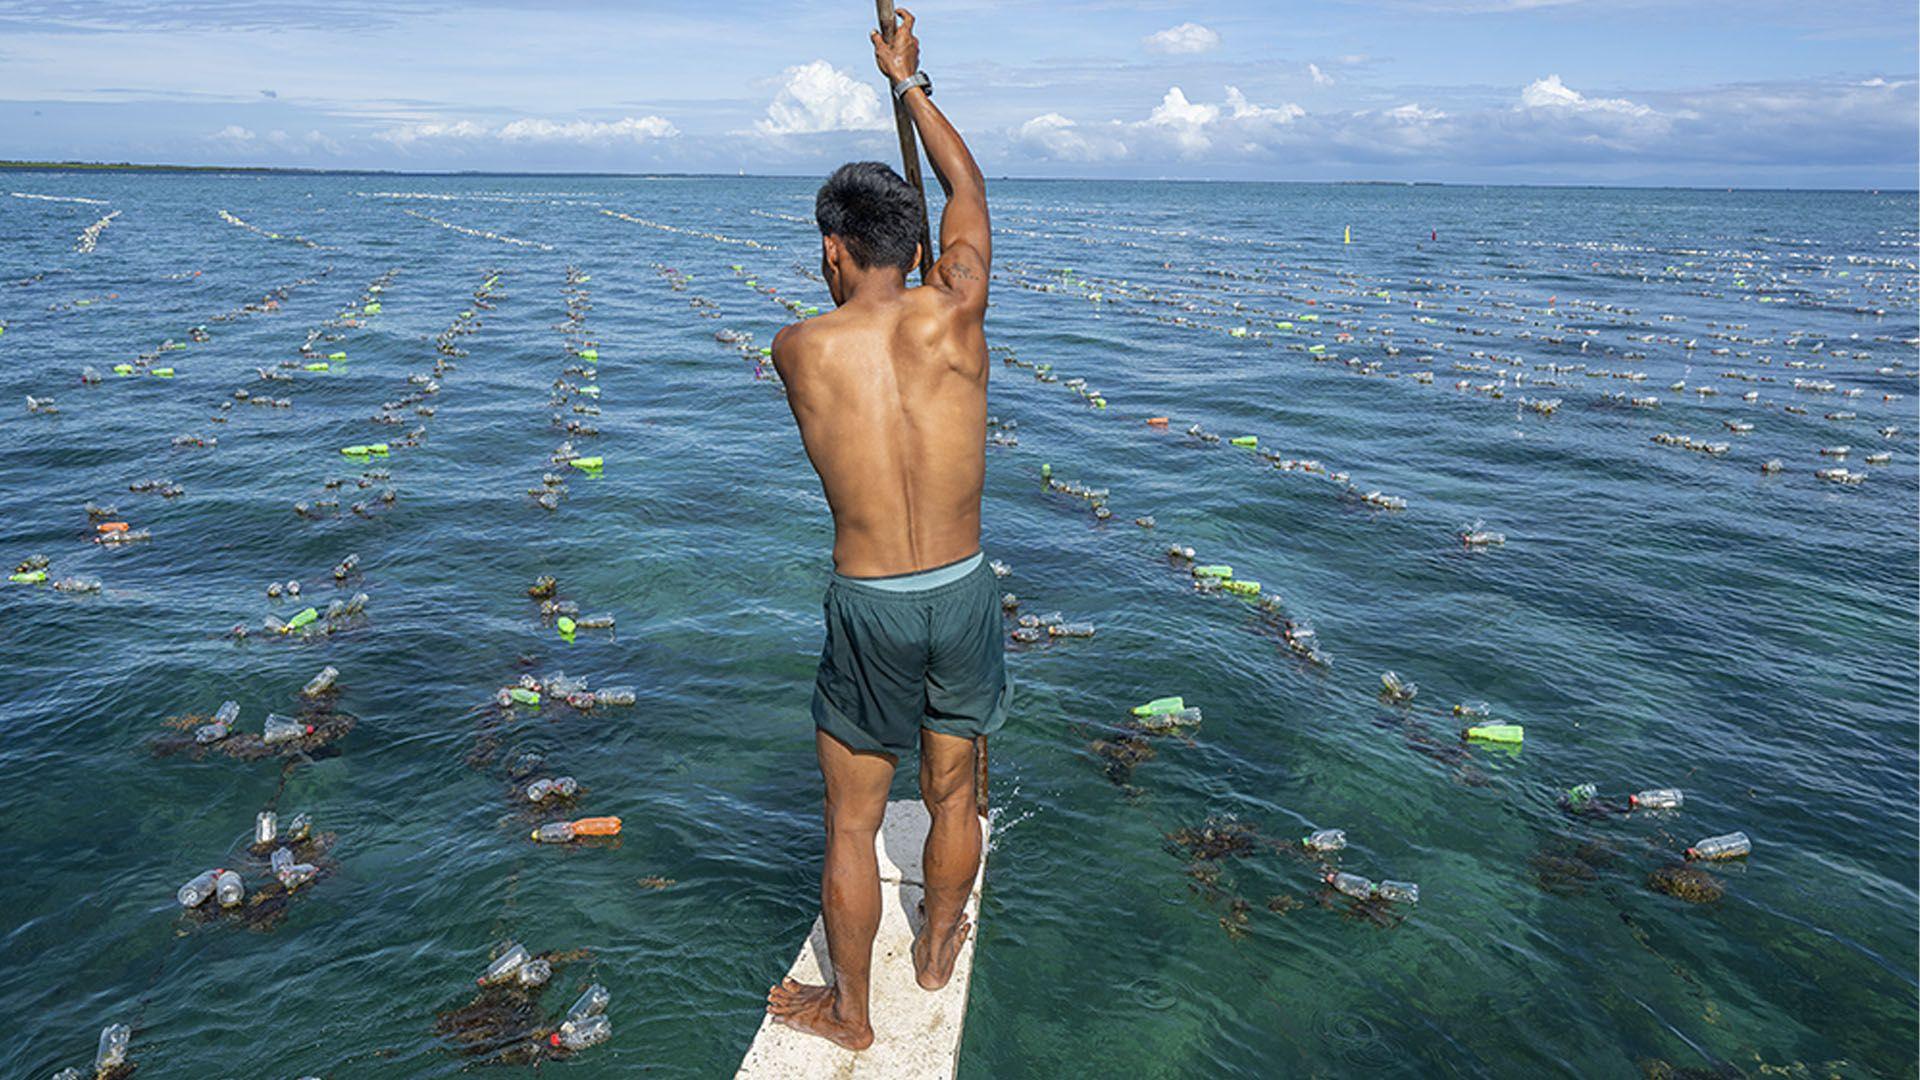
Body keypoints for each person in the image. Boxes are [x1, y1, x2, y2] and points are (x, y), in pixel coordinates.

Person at [762, 6, 1006, 1052]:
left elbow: (936, 219)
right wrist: (909, 82)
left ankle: (850, 1012)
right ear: (915, 245)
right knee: (953, 791)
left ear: (829, 249)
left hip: (870, 606)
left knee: (854, 822)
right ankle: (941, 943)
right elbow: (970, 190)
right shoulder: (959, 308)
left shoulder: (798, 350)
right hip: (960, 589)